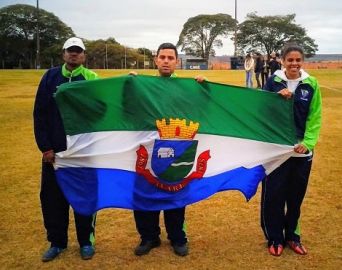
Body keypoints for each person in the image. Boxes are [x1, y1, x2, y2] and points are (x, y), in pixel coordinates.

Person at [130, 43, 205, 257]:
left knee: (175, 191)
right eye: (162, 57)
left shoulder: (185, 87)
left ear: (176, 62)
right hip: (147, 147)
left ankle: (177, 237)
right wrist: (129, 84)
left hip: (175, 148)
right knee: (145, 192)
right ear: (155, 60)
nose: (165, 61)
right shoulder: (142, 85)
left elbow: (203, 110)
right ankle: (149, 237)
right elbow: (126, 107)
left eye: (170, 58)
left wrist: (203, 89)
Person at [33, 37, 98, 262]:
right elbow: (40, 113)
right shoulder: (50, 77)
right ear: (63, 54)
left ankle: (86, 241)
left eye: (78, 51)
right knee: (53, 198)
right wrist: (46, 147)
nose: (73, 54)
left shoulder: (91, 78)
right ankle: (57, 242)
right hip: (55, 153)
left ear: (83, 55)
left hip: (82, 152)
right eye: (70, 51)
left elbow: (100, 110)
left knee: (84, 197)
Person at [261, 44, 322, 256]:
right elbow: (260, 110)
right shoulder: (273, 82)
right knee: (274, 196)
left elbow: (315, 117)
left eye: (298, 60)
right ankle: (275, 237)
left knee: (295, 197)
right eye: (290, 60)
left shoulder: (311, 84)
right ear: (283, 61)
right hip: (276, 151)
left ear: (302, 61)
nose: (294, 64)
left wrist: (308, 142)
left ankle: (293, 236)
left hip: (301, 151)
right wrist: (275, 99)